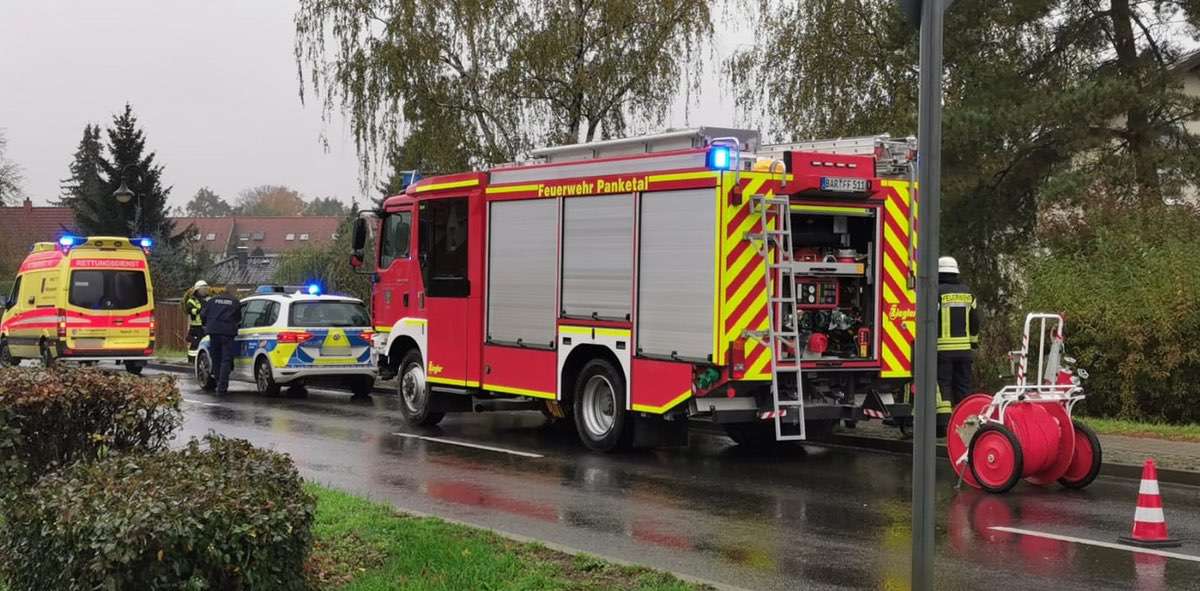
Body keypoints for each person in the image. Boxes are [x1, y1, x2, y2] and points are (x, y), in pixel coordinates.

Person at [937, 256, 981, 406]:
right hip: (964, 351)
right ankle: (964, 420)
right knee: (963, 387)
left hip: (942, 351)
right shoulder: (968, 293)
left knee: (944, 386)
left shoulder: (936, 293)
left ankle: (944, 423)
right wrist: (973, 343)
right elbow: (975, 321)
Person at [201, 290, 241, 395]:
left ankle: (219, 382)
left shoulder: (212, 300)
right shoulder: (234, 301)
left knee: (216, 358)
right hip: (228, 333)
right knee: (226, 359)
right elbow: (238, 318)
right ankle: (222, 386)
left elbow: (203, 314)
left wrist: (206, 325)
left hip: (214, 332)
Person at [184, 280, 209, 356]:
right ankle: (191, 359)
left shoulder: (207, 299)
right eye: (203, 289)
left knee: (204, 343)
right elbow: (191, 310)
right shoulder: (191, 300)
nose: (204, 291)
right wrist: (201, 310)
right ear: (197, 290)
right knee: (195, 343)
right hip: (196, 326)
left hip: (205, 325)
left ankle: (200, 358)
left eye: (205, 288)